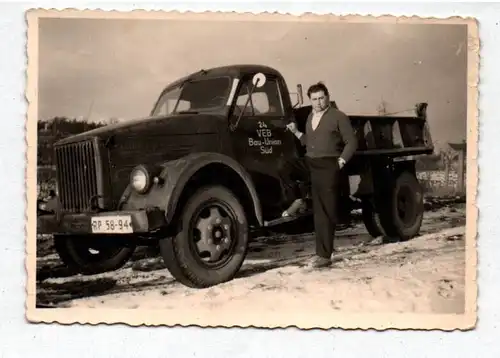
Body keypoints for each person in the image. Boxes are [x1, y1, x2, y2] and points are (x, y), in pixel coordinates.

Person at [286, 82, 358, 269]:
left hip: (328, 165)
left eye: (321, 98)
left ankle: (324, 256)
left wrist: (340, 162)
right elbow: (310, 141)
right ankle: (299, 199)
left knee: (324, 212)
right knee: (284, 167)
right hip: (311, 163)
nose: (318, 102)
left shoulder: (338, 116)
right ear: (310, 100)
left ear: (327, 97)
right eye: (314, 99)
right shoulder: (311, 116)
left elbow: (351, 142)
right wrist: (296, 132)